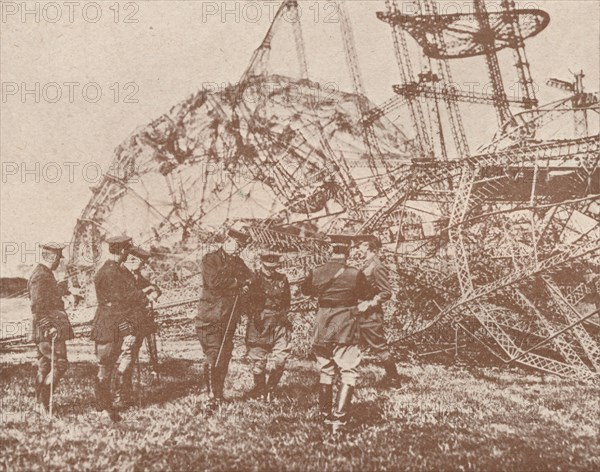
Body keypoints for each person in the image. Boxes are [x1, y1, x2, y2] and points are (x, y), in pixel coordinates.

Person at [301, 234, 381, 427]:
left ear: (332, 250)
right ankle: (339, 416)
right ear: (348, 251)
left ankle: (324, 413)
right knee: (348, 370)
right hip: (345, 324)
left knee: (326, 369)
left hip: (323, 324)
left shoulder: (317, 271)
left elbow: (306, 291)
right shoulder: (355, 273)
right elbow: (368, 294)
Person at [90, 235, 147, 420]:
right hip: (108, 324)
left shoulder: (116, 271)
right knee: (105, 366)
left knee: (108, 365)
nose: (128, 253)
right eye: (127, 250)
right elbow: (118, 305)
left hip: (113, 323)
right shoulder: (110, 273)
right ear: (122, 251)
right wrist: (128, 331)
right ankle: (103, 407)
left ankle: (106, 405)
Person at [196, 229, 254, 408]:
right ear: (227, 241)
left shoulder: (238, 261)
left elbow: (250, 277)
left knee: (225, 355)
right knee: (214, 354)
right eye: (238, 245)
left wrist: (245, 282)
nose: (239, 250)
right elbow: (215, 282)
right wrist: (238, 282)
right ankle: (210, 394)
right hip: (210, 316)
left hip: (229, 317)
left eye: (242, 247)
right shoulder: (210, 259)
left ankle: (218, 394)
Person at [27, 243, 75, 413]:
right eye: (58, 258)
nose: (59, 262)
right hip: (48, 328)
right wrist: (49, 327)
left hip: (44, 328)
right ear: (52, 257)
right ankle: (43, 403)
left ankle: (40, 404)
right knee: (60, 364)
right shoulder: (41, 276)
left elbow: (49, 296)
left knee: (45, 365)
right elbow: (38, 306)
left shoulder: (44, 274)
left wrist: (64, 290)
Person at [354, 235, 403, 388]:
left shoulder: (377, 266)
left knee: (379, 347)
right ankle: (343, 381)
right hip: (359, 313)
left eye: (360, 246)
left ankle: (395, 382)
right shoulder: (366, 265)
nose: (357, 249)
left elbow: (386, 292)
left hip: (371, 315)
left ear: (368, 247)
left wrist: (369, 303)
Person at [245, 252, 292, 402]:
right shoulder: (253, 280)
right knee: (258, 362)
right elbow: (244, 303)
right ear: (262, 264)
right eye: (267, 267)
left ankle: (270, 390)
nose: (271, 270)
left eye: (274, 267)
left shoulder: (282, 279)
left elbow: (286, 302)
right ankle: (260, 390)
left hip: (279, 323)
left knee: (280, 359)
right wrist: (254, 315)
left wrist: (284, 319)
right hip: (259, 323)